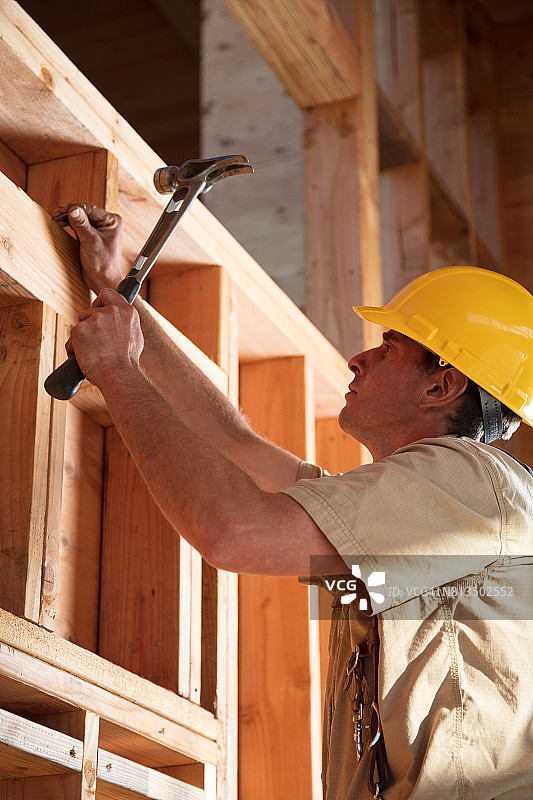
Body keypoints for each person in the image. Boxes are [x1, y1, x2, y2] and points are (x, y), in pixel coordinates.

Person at [54, 202, 533, 800]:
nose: (359, 359)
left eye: (388, 347)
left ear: (442, 385)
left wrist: (121, 373)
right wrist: (121, 299)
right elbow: (236, 446)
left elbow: (234, 532)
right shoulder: (438, 508)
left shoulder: (467, 481)